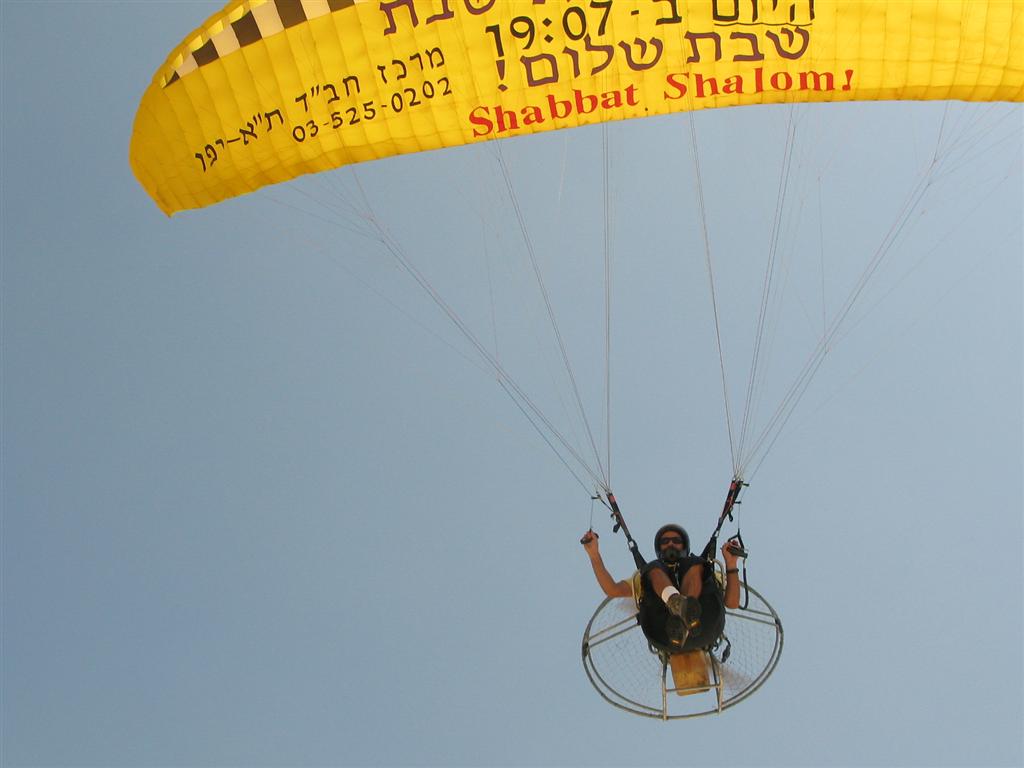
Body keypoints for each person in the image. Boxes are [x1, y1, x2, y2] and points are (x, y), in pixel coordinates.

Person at [581, 524, 742, 652]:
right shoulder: (652, 575)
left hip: (706, 625)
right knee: (652, 569)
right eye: (665, 542)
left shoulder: (699, 569)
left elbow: (732, 603)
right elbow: (613, 590)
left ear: (684, 545)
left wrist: (731, 563)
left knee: (696, 562)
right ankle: (677, 604)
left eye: (676, 541)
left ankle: (685, 611)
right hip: (664, 633)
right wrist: (594, 554)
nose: (670, 543)